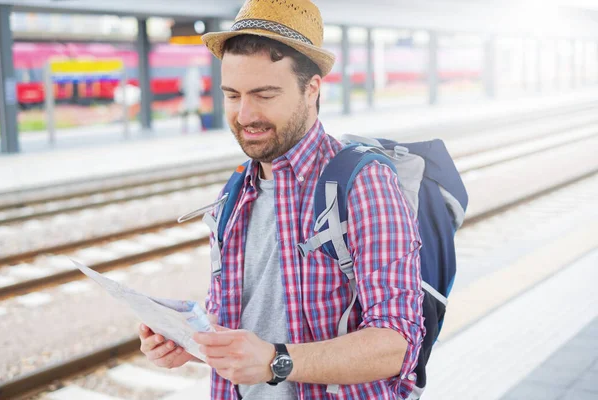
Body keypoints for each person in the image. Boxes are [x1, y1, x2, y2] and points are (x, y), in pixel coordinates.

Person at [139, 0, 425, 399]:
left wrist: (277, 360)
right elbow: (245, 331)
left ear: (312, 89)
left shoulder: (362, 183)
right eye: (233, 95)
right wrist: (192, 343)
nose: (244, 115)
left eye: (264, 95)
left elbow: (397, 343)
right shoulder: (234, 194)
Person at [181, 61, 206, 133]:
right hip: (194, 98)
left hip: (188, 98)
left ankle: (184, 128)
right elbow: (201, 88)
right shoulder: (197, 76)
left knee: (187, 112)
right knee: (198, 112)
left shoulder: (186, 75)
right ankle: (202, 127)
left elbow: (182, 88)